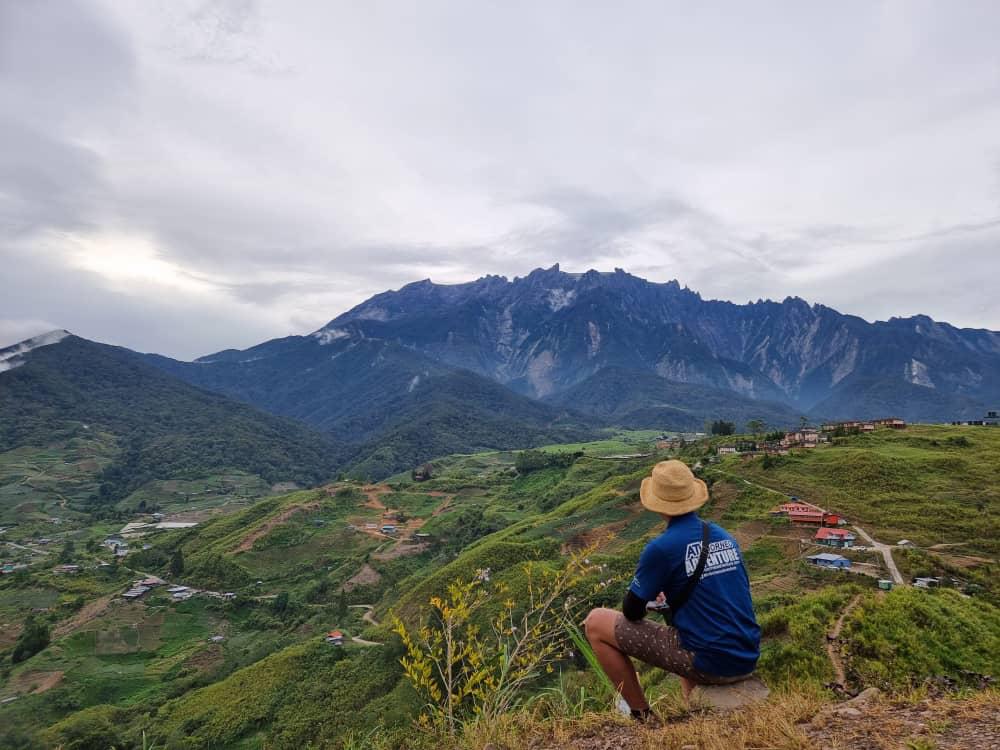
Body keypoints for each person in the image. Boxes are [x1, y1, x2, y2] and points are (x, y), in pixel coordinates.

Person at [584, 459, 760, 724]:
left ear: (656, 502)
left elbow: (631, 611)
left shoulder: (661, 548)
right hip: (746, 656)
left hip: (709, 662)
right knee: (684, 626)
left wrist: (655, 601)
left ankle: (641, 715)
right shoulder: (723, 535)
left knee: (596, 622)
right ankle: (693, 709)